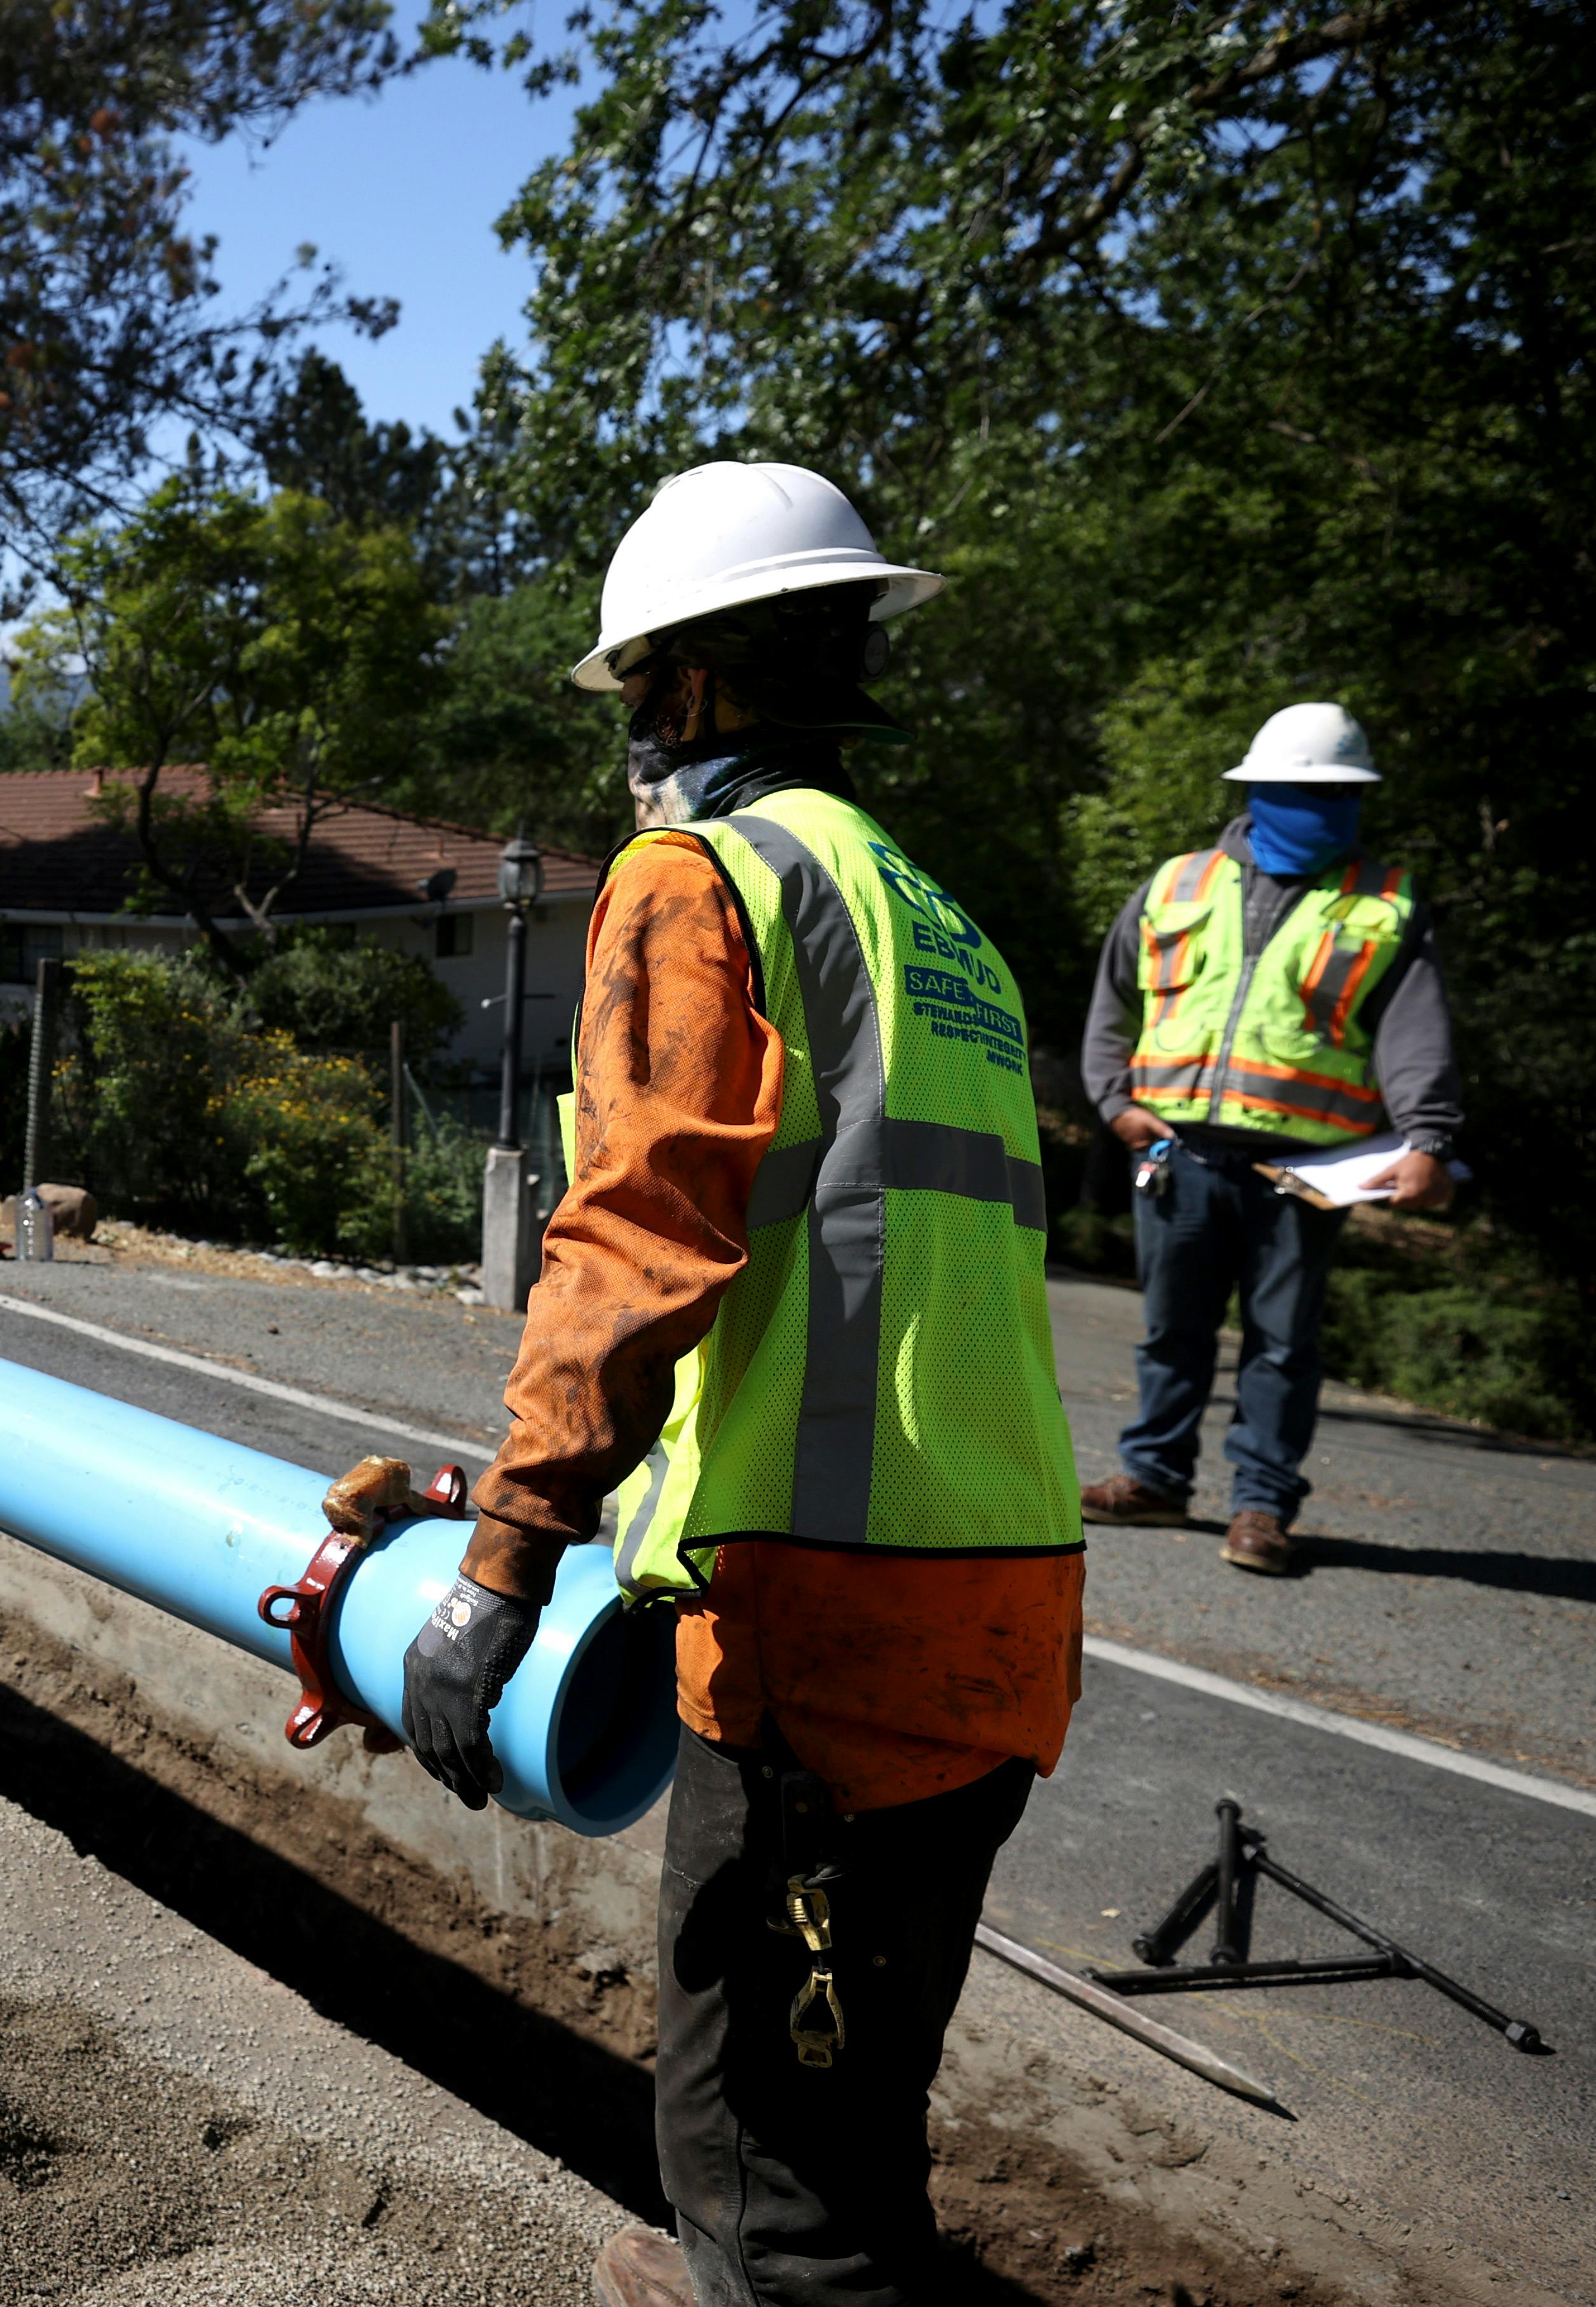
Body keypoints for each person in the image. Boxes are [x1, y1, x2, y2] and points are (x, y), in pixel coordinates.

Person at [393, 462, 1085, 2307]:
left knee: (772, 2166)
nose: (629, 742)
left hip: (825, 1642)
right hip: (999, 1602)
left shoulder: (703, 879)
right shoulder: (934, 919)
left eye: (634, 697)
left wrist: (501, 1568)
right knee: (839, 2110)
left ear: (689, 689)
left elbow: (643, 1231)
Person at [1076, 704, 1461, 1576]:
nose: (1322, 808)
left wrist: (1429, 1138)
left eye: (1340, 795)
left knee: (1283, 1342)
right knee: (1172, 1328)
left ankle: (1261, 1506)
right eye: (1302, 791)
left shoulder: (1387, 906)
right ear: (1255, 792)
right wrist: (1112, 1103)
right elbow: (1112, 1004)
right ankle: (1156, 1478)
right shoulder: (1177, 883)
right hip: (1180, 1155)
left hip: (1308, 1171)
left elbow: (1415, 1035)